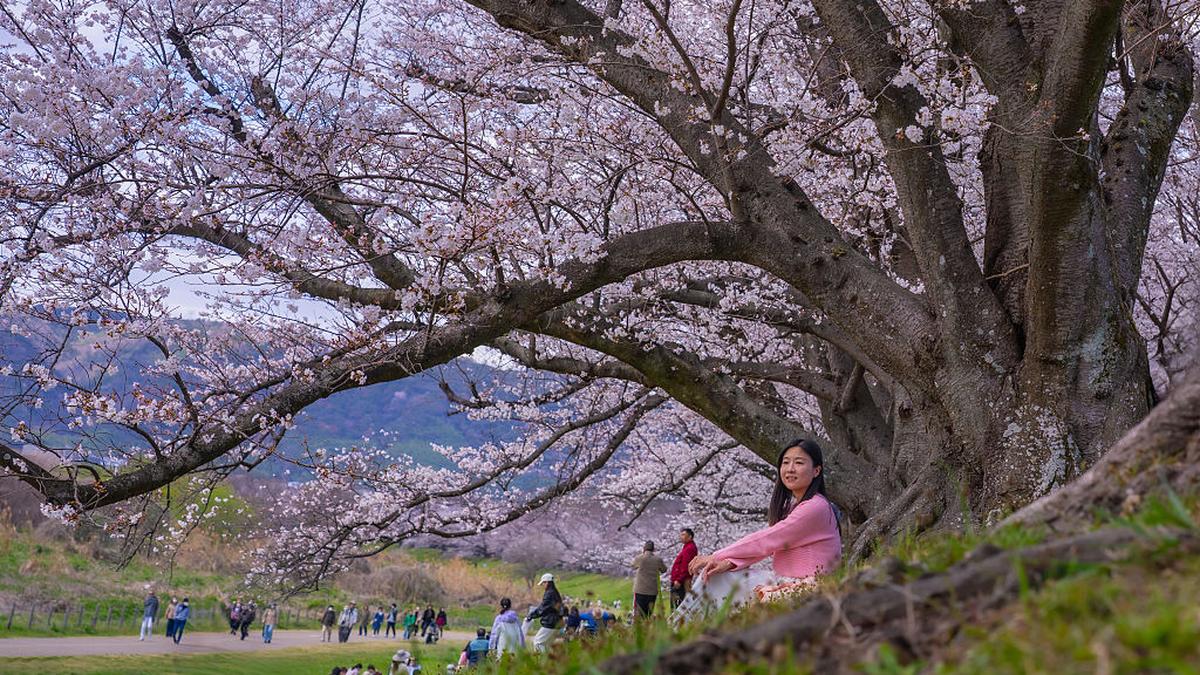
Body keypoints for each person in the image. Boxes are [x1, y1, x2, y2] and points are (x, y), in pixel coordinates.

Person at [676, 439, 841, 623]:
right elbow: (768, 546)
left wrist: (716, 556)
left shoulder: (815, 507)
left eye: (799, 463)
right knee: (717, 573)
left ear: (816, 471)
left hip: (808, 586)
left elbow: (769, 539)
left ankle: (680, 626)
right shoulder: (795, 506)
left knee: (717, 577)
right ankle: (685, 625)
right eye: (786, 462)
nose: (790, 469)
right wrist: (729, 562)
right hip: (788, 580)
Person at [524, 573, 562, 653]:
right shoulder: (555, 592)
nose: (542, 586)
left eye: (543, 583)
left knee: (538, 642)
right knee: (546, 645)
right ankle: (548, 660)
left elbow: (543, 608)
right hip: (557, 622)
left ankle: (542, 660)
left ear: (547, 582)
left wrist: (531, 615)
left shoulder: (549, 593)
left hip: (550, 623)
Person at [631, 540, 667, 619]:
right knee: (648, 612)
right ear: (653, 549)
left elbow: (633, 566)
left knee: (639, 613)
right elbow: (664, 570)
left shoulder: (640, 558)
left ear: (644, 548)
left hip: (640, 590)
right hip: (652, 591)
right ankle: (647, 624)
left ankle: (639, 626)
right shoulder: (658, 559)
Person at [670, 528, 699, 610]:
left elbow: (686, 566)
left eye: (683, 535)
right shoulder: (687, 547)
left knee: (677, 605)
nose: (681, 537)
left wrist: (679, 580)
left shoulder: (689, 548)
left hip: (681, 581)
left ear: (690, 537)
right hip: (681, 579)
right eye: (681, 535)